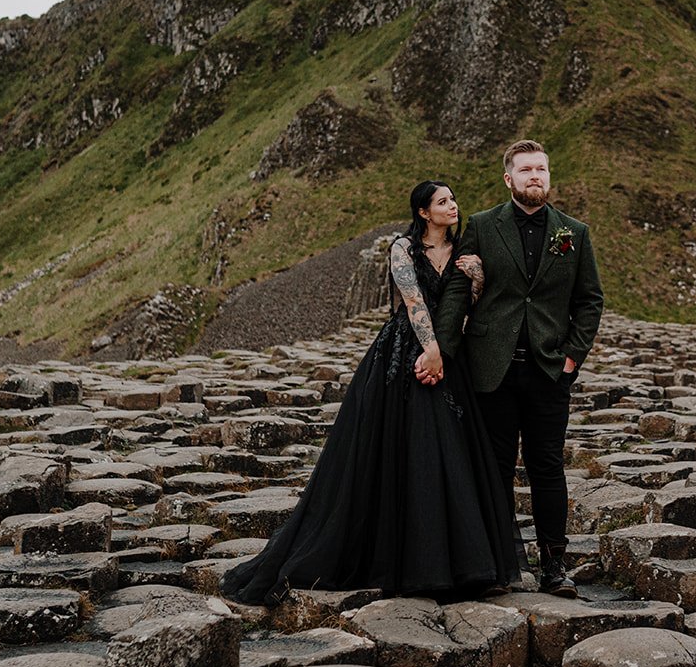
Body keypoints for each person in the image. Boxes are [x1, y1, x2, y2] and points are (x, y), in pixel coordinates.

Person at [221, 180, 522, 606]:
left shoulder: (463, 253)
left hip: (451, 356)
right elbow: (414, 302)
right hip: (404, 353)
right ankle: (405, 562)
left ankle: (461, 563)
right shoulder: (403, 248)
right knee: (404, 451)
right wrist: (430, 350)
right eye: (442, 201)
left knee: (453, 455)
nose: (452, 206)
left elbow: (466, 305)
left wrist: (474, 279)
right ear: (423, 212)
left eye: (454, 199)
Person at [436, 139, 604, 598]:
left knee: (547, 466)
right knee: (494, 469)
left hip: (550, 370)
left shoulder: (575, 232)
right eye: (527, 170)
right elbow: (457, 290)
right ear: (509, 178)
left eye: (542, 169)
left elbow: (590, 301)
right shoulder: (482, 226)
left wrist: (572, 356)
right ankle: (502, 562)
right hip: (491, 369)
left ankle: (554, 565)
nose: (536, 176)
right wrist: (442, 351)